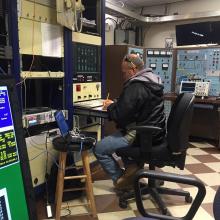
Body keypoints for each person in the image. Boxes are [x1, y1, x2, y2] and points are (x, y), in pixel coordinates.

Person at [93, 54, 166, 189]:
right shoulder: (152, 81)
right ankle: (132, 169)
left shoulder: (136, 85)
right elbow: (134, 106)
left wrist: (110, 107)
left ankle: (122, 180)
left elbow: (120, 115)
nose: (123, 76)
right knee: (120, 134)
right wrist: (116, 103)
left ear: (132, 71)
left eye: (124, 73)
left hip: (139, 134)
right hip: (155, 134)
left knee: (99, 148)